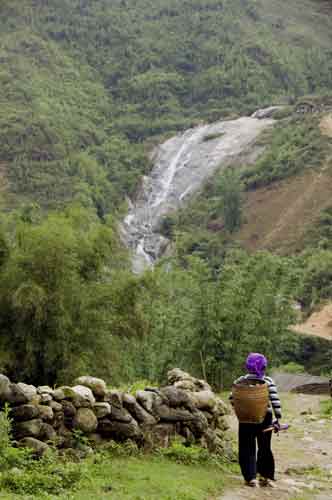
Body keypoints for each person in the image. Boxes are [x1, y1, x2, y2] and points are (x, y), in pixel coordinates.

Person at [230, 353, 282, 488]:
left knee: (246, 447)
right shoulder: (268, 381)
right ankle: (265, 477)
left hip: (245, 419)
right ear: (264, 366)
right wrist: (278, 418)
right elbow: (275, 401)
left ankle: (250, 478)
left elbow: (232, 398)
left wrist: (243, 408)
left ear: (247, 366)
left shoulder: (240, 381)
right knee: (265, 447)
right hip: (265, 418)